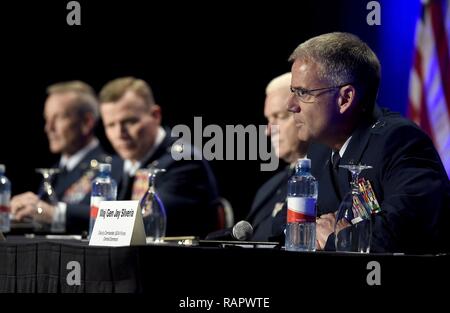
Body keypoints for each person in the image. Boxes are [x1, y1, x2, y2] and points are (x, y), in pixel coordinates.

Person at [284, 32, 449, 254]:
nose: (290, 104)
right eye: (293, 91)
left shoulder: (400, 142)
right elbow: (285, 226)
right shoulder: (319, 151)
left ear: (345, 99)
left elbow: (405, 231)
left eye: (303, 92)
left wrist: (335, 238)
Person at [98, 77, 219, 238]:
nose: (119, 134)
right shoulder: (119, 164)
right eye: (110, 125)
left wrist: (63, 213)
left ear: (155, 115)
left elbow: (147, 218)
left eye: (129, 121)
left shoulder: (183, 160)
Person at [11, 81, 111, 234]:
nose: (48, 127)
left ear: (86, 122)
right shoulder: (54, 171)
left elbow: (110, 217)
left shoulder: (112, 167)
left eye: (58, 118)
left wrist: (56, 213)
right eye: (47, 119)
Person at [246, 72, 308, 241]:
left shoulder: (327, 179)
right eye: (268, 120)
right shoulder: (267, 189)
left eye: (279, 117)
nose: (268, 130)